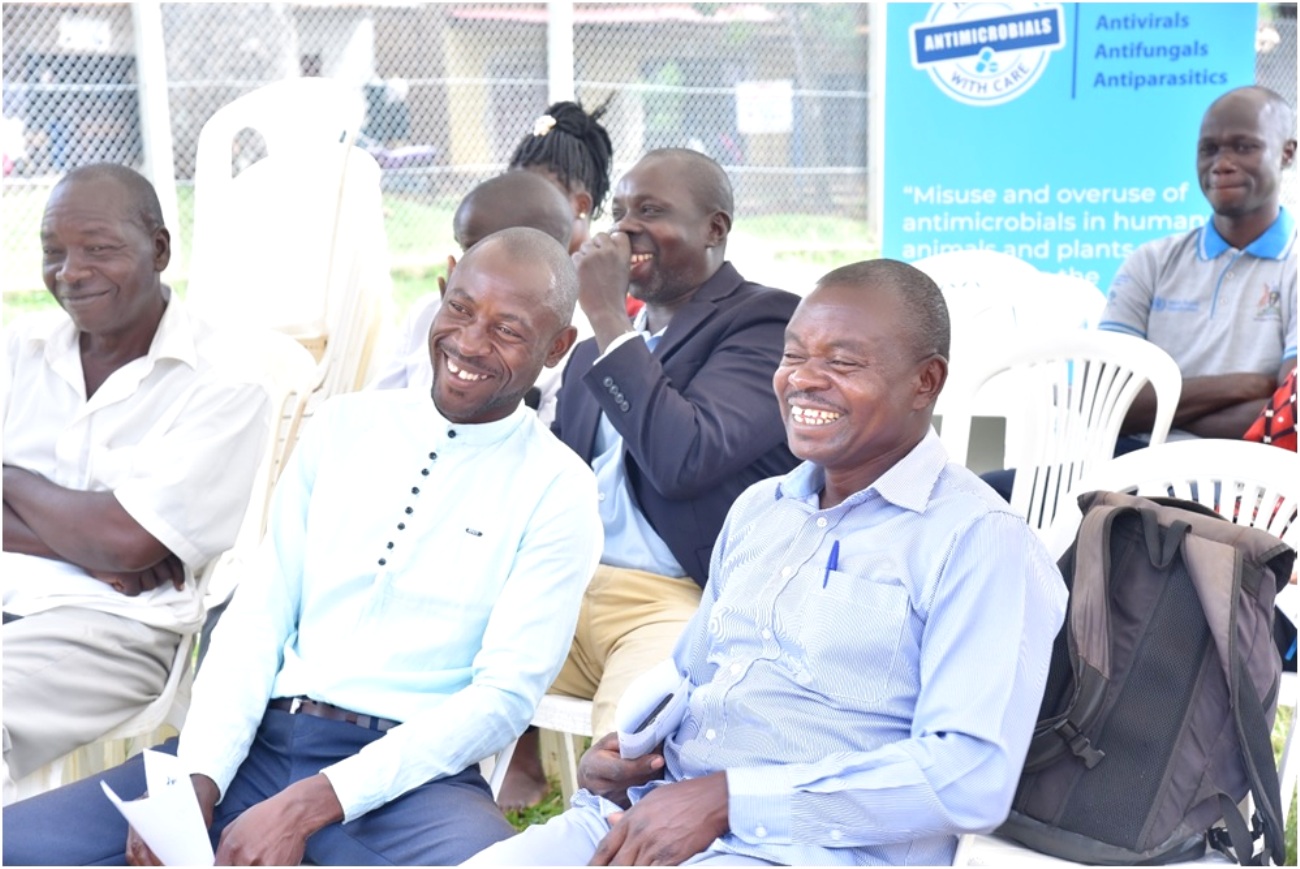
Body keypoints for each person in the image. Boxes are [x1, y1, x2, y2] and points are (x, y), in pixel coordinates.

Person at [3, 227, 604, 866]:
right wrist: (198, 778)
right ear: (441, 288)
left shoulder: (560, 490)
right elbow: (257, 619)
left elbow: (503, 698)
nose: (470, 342)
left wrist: (313, 802)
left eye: (508, 330)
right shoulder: (344, 427)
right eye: (460, 308)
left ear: (557, 346)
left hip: (410, 784)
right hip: (256, 746)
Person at [467, 259, 1069, 866]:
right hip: (651, 815)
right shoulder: (762, 508)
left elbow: (966, 779)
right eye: (793, 356)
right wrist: (633, 750)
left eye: (843, 362)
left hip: (805, 852)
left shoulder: (979, 542)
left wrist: (729, 801)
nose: (804, 380)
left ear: (925, 382)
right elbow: (691, 675)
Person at [499, 148, 801, 809]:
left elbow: (683, 455)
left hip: (670, 599)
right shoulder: (587, 358)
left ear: (715, 230)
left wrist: (608, 316)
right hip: (566, 585)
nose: (626, 228)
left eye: (652, 211)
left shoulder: (764, 321)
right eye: (620, 211)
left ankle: (608, 831)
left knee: (630, 740)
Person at [2, 164, 272, 798]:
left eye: (98, 249)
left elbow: (128, 546)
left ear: (158, 250)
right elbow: (120, 544)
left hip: (112, 627)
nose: (69, 271)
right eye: (53, 251)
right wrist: (91, 541)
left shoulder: (223, 382)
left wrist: (9, 480)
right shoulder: (20, 351)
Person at [1101, 85, 1297, 444]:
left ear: (1286, 154)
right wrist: (1248, 385)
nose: (1221, 163)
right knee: (991, 490)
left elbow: (1288, 419)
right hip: (1128, 463)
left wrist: (1157, 414)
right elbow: (1105, 404)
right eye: (1209, 149)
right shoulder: (1151, 262)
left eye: (1244, 146)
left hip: (1248, 481)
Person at [370, 170, 586, 423]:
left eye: (475, 248)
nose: (462, 264)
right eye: (463, 249)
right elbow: (376, 410)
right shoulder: (429, 312)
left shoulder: (577, 352)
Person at [510, 99, 615, 255]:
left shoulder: (601, 276)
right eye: (516, 199)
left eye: (535, 203)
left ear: (581, 206)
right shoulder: (529, 268)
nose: (520, 215)